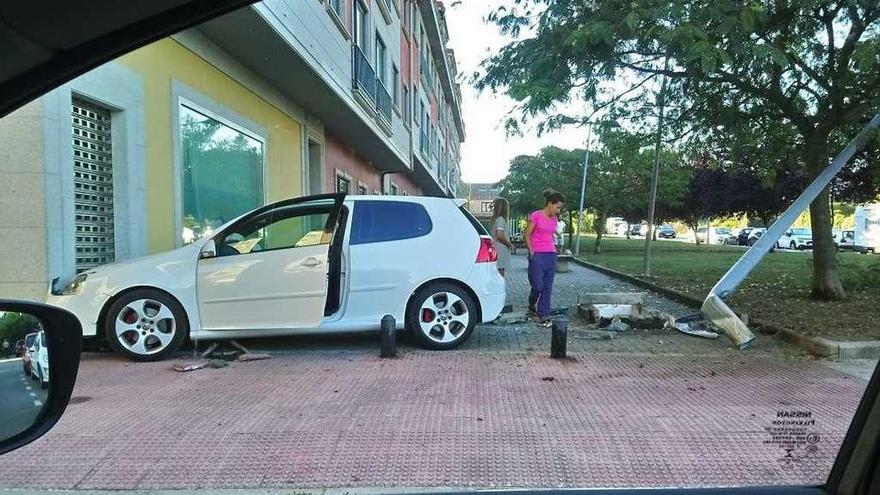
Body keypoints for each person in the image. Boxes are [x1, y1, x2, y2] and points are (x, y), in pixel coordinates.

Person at [525, 189, 565, 326]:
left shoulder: (554, 219)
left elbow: (551, 235)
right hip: (537, 254)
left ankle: (543, 314)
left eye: (560, 208)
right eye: (557, 207)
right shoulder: (536, 215)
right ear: (550, 203)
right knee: (538, 286)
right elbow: (527, 234)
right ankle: (531, 303)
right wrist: (531, 252)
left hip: (550, 254)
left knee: (547, 287)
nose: (558, 210)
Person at [490, 198, 513, 277]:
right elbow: (499, 235)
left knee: (497, 273)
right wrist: (509, 244)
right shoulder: (501, 219)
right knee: (500, 273)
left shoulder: (495, 219)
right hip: (500, 249)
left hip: (496, 249)